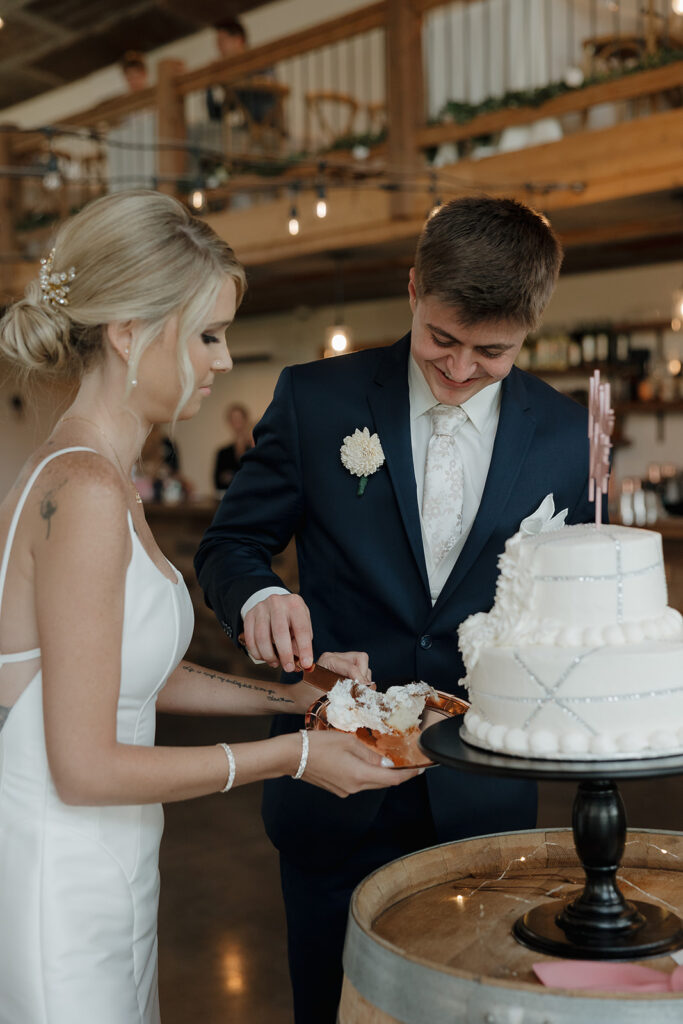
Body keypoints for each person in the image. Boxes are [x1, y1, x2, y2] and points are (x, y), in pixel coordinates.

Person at [0, 189, 417, 1024]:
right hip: (63, 866)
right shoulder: (81, 490)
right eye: (208, 334)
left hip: (113, 856)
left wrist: (297, 697)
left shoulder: (99, 474)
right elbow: (83, 768)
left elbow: (128, 678)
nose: (224, 360)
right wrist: (291, 758)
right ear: (129, 334)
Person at [195, 196, 601, 1024]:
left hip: (484, 793)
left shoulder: (565, 433)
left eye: (491, 352)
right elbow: (229, 546)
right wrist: (263, 594)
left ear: (531, 326)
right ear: (413, 288)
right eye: (441, 341)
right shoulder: (316, 399)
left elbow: (567, 601)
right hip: (332, 784)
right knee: (332, 1006)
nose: (457, 369)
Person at [213, 401, 254, 492]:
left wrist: (230, 477)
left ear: (246, 420)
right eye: (233, 419)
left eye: (239, 419)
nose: (237, 423)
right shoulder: (223, 453)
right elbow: (218, 483)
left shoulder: (254, 449)